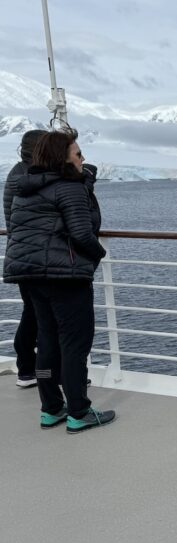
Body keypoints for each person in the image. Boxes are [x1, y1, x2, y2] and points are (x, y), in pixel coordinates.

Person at [3, 129, 114, 433]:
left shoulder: (24, 187)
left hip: (31, 275)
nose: (83, 158)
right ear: (62, 158)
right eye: (78, 154)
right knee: (75, 344)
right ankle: (79, 411)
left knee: (47, 343)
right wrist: (98, 255)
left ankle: (51, 408)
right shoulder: (69, 188)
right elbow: (82, 232)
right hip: (64, 276)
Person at [3, 129, 47, 388]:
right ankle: (40, 373)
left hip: (22, 254)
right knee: (40, 316)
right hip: (36, 256)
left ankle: (28, 371)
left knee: (32, 312)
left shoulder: (18, 173)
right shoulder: (29, 176)